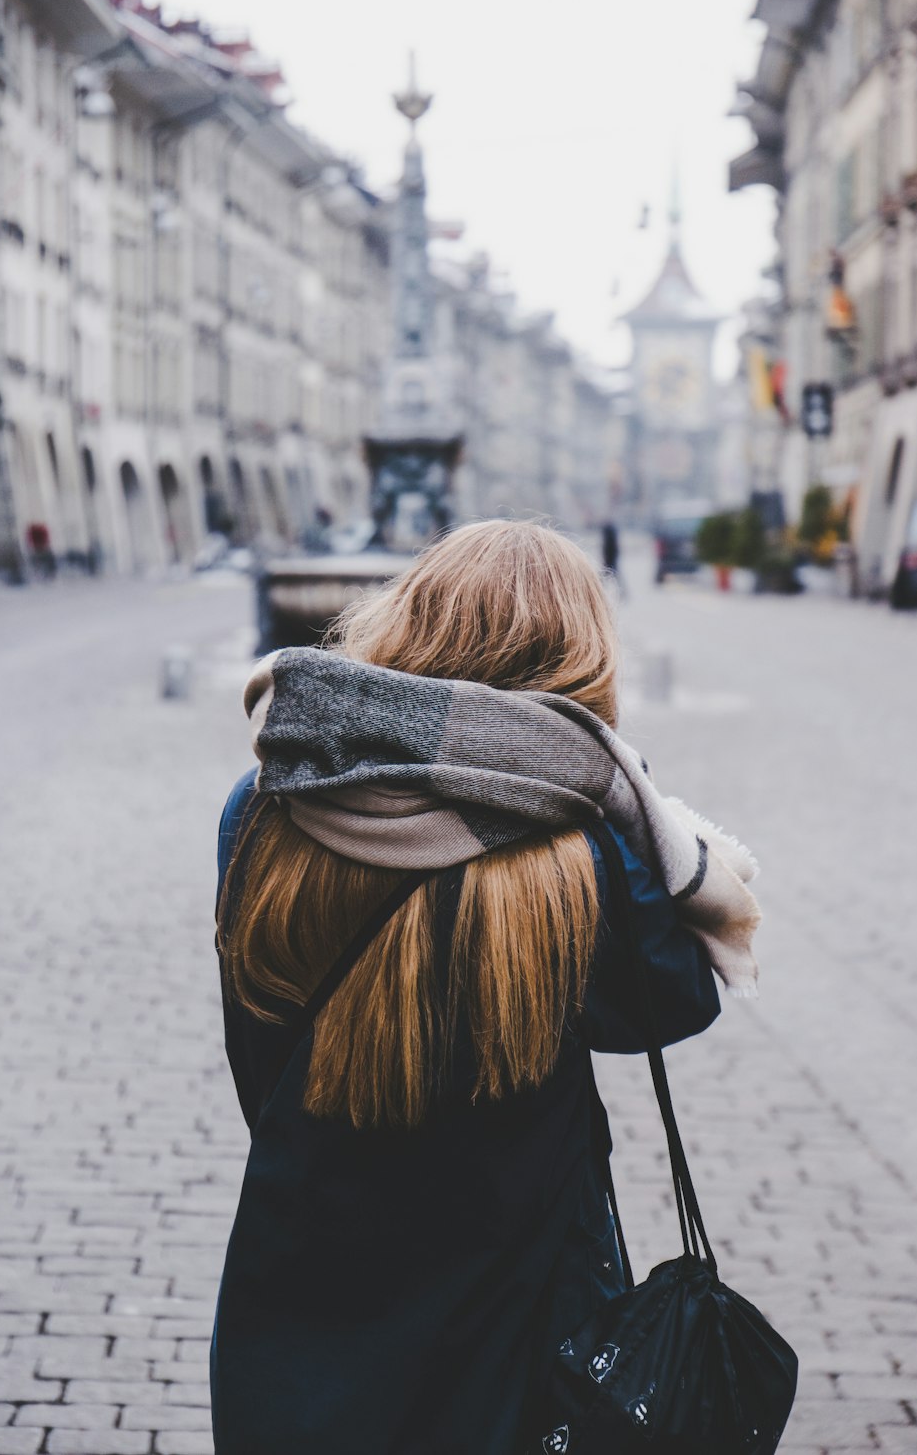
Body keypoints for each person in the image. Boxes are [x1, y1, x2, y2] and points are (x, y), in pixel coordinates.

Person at [210, 520, 760, 1455]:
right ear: (577, 658)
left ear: (409, 617)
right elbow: (674, 1004)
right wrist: (634, 814)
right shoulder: (585, 845)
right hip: (517, 1286)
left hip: (304, 1245)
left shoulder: (265, 803)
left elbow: (256, 1026)